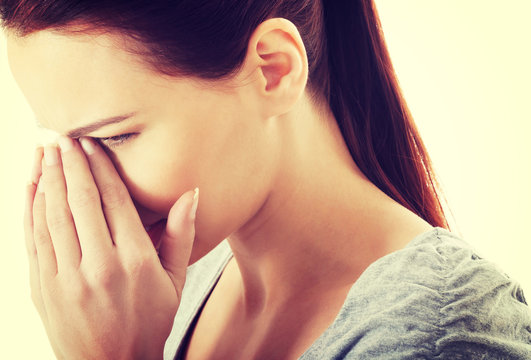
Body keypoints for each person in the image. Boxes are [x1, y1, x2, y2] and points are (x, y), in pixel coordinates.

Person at [2, 0, 530, 359]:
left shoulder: (445, 333)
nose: (85, 187)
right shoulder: (161, 286)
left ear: (272, 70)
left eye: (115, 137)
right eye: (65, 142)